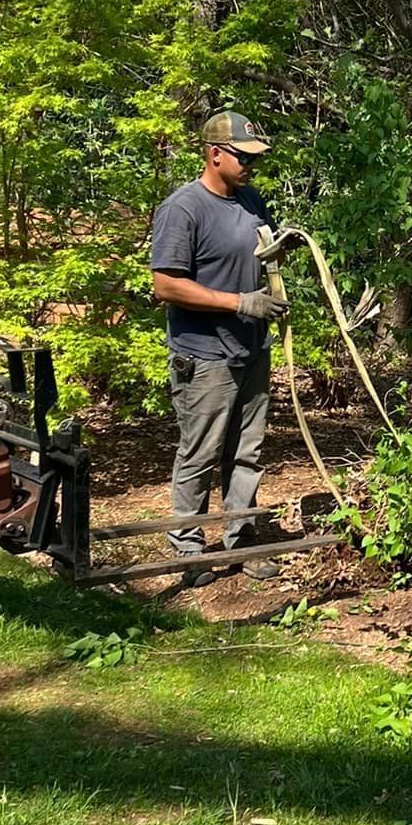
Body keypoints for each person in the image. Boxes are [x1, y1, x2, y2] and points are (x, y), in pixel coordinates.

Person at [149, 112, 289, 583]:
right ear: (214, 154)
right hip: (204, 356)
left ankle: (242, 541)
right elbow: (167, 286)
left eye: (254, 158)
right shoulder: (183, 209)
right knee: (200, 453)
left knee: (246, 452)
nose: (251, 166)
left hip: (252, 349)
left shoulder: (250, 200)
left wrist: (278, 255)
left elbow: (261, 249)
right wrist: (238, 302)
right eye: (243, 157)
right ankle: (189, 548)